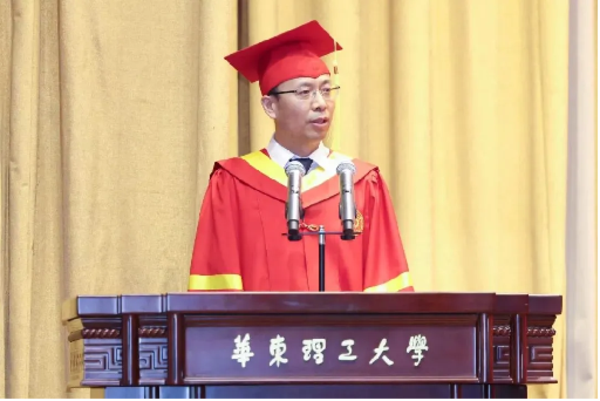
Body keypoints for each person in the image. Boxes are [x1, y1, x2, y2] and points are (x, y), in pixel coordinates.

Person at [188, 20, 414, 293]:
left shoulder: (362, 183)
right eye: (304, 92)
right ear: (270, 106)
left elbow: (387, 289)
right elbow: (217, 292)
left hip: (345, 324)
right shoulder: (233, 183)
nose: (320, 103)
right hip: (264, 324)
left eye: (326, 90)